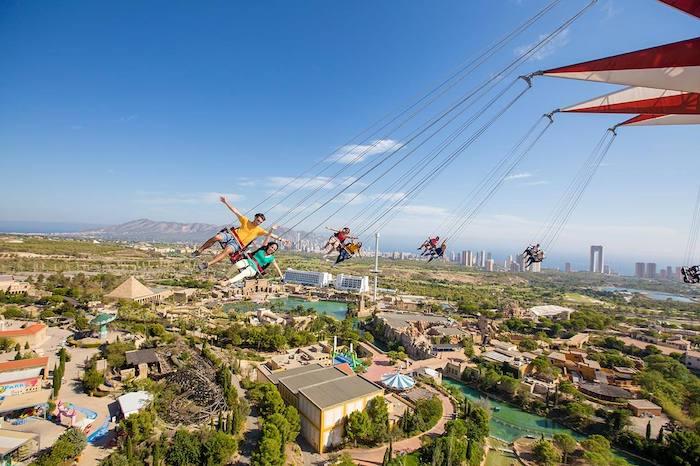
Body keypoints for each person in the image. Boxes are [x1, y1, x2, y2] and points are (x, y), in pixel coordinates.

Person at [193, 196, 287, 270]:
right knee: (217, 237)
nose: (258, 222)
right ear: (255, 218)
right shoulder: (245, 221)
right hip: (232, 235)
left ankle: (207, 264)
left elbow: (272, 235)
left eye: (260, 222)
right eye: (258, 220)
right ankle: (200, 250)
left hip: (237, 244)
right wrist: (226, 202)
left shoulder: (259, 230)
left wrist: (282, 239)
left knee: (226, 252)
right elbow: (235, 211)